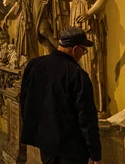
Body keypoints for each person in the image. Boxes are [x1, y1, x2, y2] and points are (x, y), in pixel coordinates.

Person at [20, 27, 101, 164]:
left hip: (45, 143)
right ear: (75, 49)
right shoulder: (77, 74)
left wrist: (36, 131)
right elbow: (86, 117)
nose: (83, 54)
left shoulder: (35, 65)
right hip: (71, 148)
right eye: (84, 50)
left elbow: (25, 99)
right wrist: (95, 153)